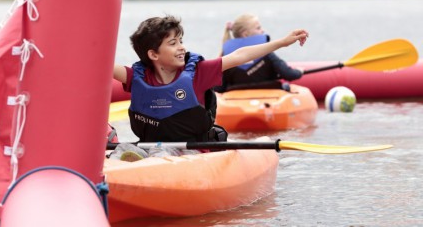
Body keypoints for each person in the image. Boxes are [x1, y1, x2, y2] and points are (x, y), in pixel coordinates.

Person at [112, 15, 308, 161]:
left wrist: (281, 43)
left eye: (181, 41)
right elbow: (104, 65)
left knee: (161, 153)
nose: (181, 47)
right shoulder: (138, 78)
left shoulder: (199, 73)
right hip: (150, 147)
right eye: (173, 43)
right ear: (153, 55)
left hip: (193, 150)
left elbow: (239, 56)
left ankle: (146, 167)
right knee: (121, 150)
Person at [215, 14, 304, 92]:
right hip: (269, 98)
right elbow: (288, 74)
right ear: (245, 34)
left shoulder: (226, 57)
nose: (262, 31)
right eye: (258, 28)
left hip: (235, 102)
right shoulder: (266, 52)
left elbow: (219, 88)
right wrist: (299, 71)